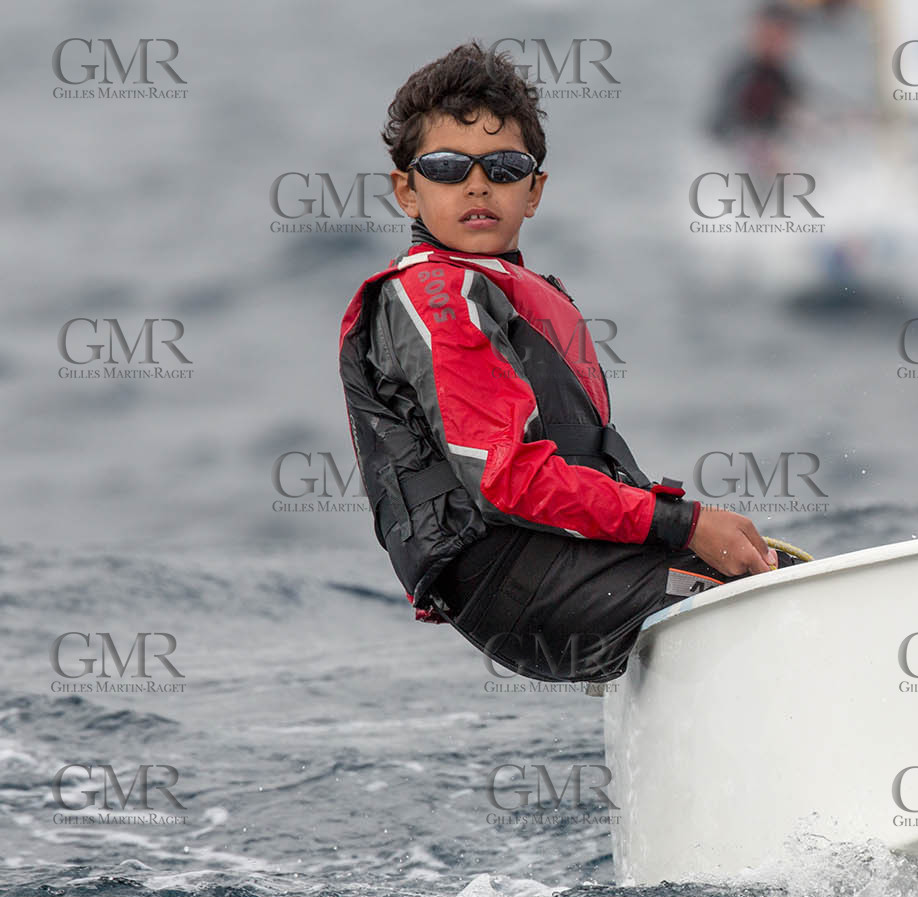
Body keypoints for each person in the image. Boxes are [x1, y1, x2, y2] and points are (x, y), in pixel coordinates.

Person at [337, 42, 798, 685]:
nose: (477, 183)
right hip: (517, 577)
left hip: (557, 564)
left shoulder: (497, 292)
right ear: (407, 191)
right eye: (446, 167)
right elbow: (507, 480)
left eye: (504, 167)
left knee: (777, 570)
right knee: (781, 600)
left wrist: (679, 530)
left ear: (534, 191)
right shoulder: (439, 296)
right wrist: (684, 524)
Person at [708, 3, 803, 145]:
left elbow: (799, 109)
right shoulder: (744, 75)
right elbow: (723, 123)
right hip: (740, 146)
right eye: (768, 35)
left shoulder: (784, 76)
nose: (774, 42)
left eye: (782, 35)